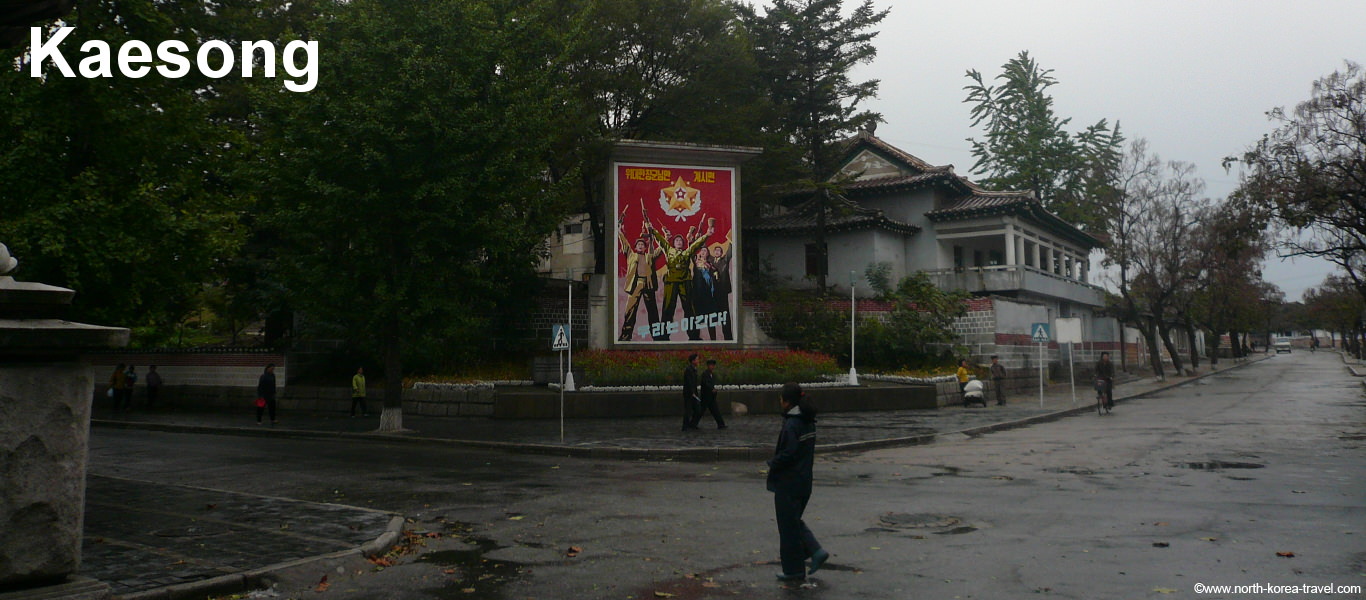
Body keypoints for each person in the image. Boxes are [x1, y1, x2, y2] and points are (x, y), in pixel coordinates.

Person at [767, 382, 829, 582]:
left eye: (780, 397)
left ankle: (795, 568)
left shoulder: (793, 423)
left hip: (789, 483)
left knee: (788, 527)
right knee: (792, 522)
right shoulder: (808, 420)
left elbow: (789, 453)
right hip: (804, 481)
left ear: (786, 401)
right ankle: (812, 553)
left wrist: (772, 463)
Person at [617, 213, 663, 341]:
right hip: (635, 284)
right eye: (639, 245)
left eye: (643, 245)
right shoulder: (631, 255)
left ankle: (657, 336)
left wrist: (664, 237)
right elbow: (624, 243)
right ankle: (626, 336)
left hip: (648, 284)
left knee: (653, 312)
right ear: (636, 247)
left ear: (645, 247)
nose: (641, 246)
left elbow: (660, 249)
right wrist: (619, 231)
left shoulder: (649, 256)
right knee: (630, 310)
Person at [695, 359, 727, 430]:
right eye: (711, 365)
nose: (712, 367)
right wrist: (711, 389)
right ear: (708, 366)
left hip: (711, 397)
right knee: (700, 412)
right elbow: (706, 384)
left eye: (713, 365)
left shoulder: (712, 374)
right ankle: (693, 424)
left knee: (716, 411)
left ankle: (721, 424)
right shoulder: (705, 374)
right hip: (706, 397)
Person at [681, 353, 702, 431]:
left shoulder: (694, 369)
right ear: (693, 361)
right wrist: (692, 392)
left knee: (698, 410)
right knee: (688, 410)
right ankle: (685, 426)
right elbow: (689, 382)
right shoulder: (689, 370)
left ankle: (692, 424)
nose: (698, 361)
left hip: (694, 393)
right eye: (697, 359)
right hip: (689, 394)